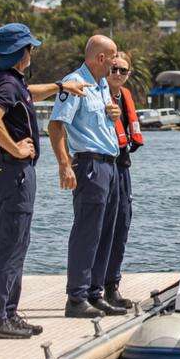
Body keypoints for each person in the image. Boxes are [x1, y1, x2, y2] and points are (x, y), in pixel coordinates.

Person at [0, 23, 90, 339]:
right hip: (12, 171)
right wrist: (14, 147)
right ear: (21, 52)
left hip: (9, 172)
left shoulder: (10, 82)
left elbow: (28, 94)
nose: (32, 53)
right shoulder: (7, 85)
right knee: (11, 246)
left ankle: (7, 314)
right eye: (30, 48)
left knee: (17, 243)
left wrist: (60, 87)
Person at [48, 35, 126, 319]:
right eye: (113, 56)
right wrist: (64, 164)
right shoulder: (75, 83)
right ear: (101, 58)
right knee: (87, 231)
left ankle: (95, 293)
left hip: (110, 164)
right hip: (90, 164)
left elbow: (100, 121)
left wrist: (114, 114)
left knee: (107, 230)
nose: (117, 62)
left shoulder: (103, 84)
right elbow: (56, 126)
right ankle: (77, 297)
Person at [102, 51, 144, 310]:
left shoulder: (125, 96)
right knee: (102, 226)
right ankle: (92, 288)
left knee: (121, 224)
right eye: (113, 69)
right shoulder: (96, 95)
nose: (117, 74)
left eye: (123, 71)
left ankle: (111, 285)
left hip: (122, 166)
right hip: (101, 165)